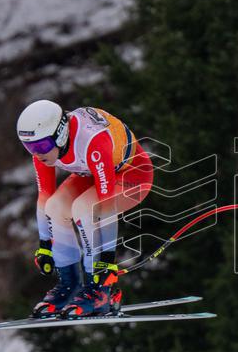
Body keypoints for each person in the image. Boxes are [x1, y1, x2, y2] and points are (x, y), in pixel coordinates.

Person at [16, 99, 153, 318]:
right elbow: (44, 197)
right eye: (29, 147)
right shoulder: (46, 148)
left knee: (84, 208)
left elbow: (105, 207)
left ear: (60, 134)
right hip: (92, 173)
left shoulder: (92, 141)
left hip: (134, 176)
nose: (37, 153)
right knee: (55, 207)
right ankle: (69, 287)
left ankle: (100, 292)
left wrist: (107, 261)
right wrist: (45, 246)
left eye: (41, 146)